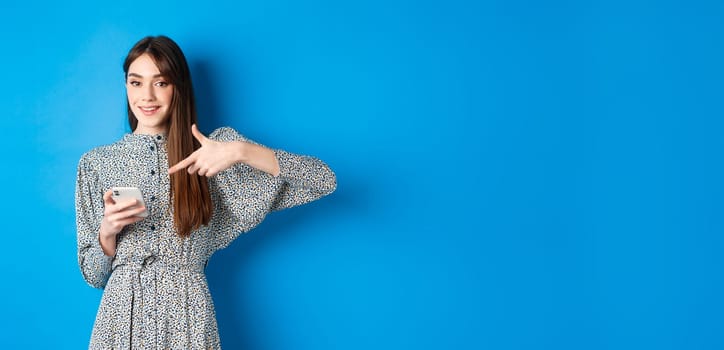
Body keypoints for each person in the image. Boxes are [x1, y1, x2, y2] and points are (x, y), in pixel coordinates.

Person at [75, 35, 336, 349]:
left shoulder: (216, 153)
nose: (146, 95)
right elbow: (94, 275)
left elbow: (323, 180)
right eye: (136, 82)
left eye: (161, 83)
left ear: (179, 87)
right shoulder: (96, 163)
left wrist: (242, 151)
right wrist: (107, 232)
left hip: (188, 316)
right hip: (120, 321)